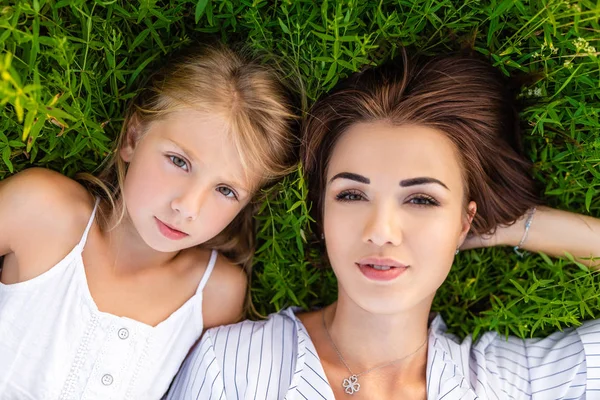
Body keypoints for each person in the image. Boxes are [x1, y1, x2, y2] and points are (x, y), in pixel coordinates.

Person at [166, 51, 600, 399]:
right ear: (322, 211)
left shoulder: (509, 386)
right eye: (351, 195)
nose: (381, 230)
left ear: (465, 220)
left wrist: (505, 226)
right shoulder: (232, 367)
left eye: (422, 199)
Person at [0, 44, 299, 399]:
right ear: (132, 138)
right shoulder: (42, 210)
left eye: (225, 190)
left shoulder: (213, 294)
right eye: (178, 161)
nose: (188, 207)